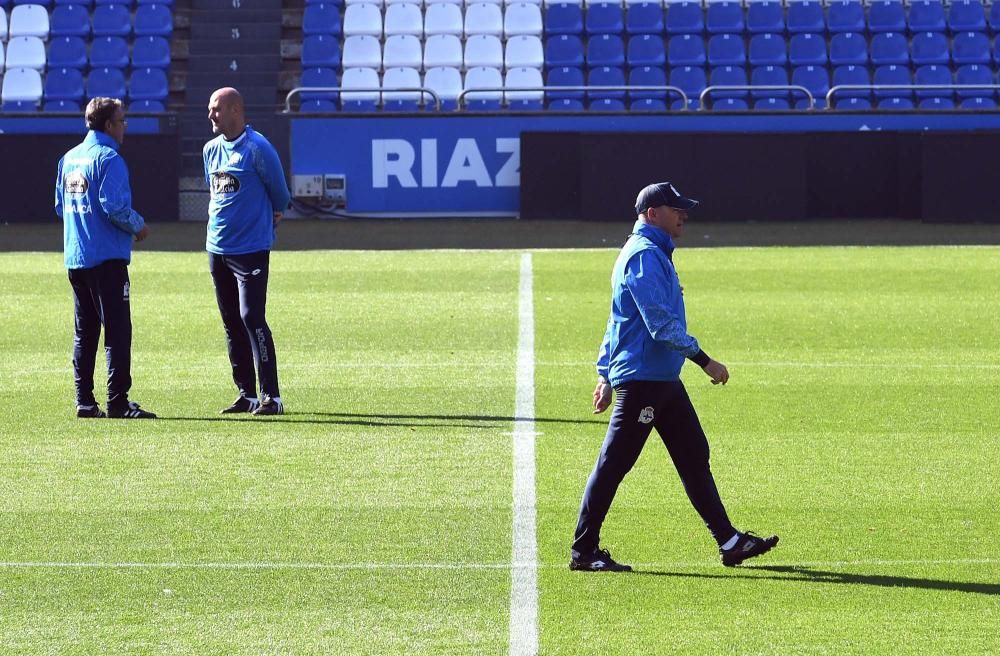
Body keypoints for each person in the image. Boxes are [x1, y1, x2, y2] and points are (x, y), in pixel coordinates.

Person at [570, 182, 778, 572]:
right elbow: (659, 325)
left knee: (694, 456)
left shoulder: (652, 254)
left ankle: (730, 541)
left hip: (660, 379)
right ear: (652, 214)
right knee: (614, 464)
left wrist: (603, 374)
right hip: (646, 380)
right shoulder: (645, 257)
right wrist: (705, 361)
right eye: (676, 209)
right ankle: (584, 551)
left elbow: (617, 321)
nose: (684, 215)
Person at [55, 97, 157, 419]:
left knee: (84, 331)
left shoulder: (69, 159)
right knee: (117, 330)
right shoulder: (109, 158)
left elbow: (61, 207)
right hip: (107, 259)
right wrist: (138, 226)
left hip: (76, 257)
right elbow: (113, 206)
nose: (125, 126)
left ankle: (84, 401)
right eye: (122, 120)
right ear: (109, 125)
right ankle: (118, 402)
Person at [204, 87, 291, 416]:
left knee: (251, 317)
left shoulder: (258, 148)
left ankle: (273, 396)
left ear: (235, 111)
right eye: (210, 109)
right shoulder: (210, 150)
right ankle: (246, 393)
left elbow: (280, 193)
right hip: (217, 248)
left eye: (216, 109)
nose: (210, 115)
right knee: (231, 322)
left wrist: (273, 214)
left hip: (251, 248)